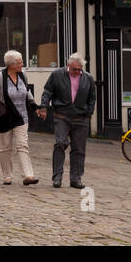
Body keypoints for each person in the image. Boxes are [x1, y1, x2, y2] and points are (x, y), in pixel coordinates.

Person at [38, 53, 96, 189]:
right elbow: (47, 91)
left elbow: (92, 98)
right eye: (74, 69)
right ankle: (57, 177)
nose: (77, 72)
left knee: (79, 149)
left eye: (79, 69)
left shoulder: (88, 78)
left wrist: (88, 113)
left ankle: (76, 178)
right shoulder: (57, 75)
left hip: (81, 117)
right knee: (60, 143)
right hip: (62, 115)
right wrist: (44, 107)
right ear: (68, 66)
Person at [0, 50, 38, 186]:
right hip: (4, 117)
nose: (23, 64)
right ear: (12, 65)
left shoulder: (23, 75)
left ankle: (28, 175)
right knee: (5, 148)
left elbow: (27, 91)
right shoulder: (0, 77)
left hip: (21, 116)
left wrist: (35, 106)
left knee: (22, 145)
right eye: (20, 62)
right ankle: (7, 175)